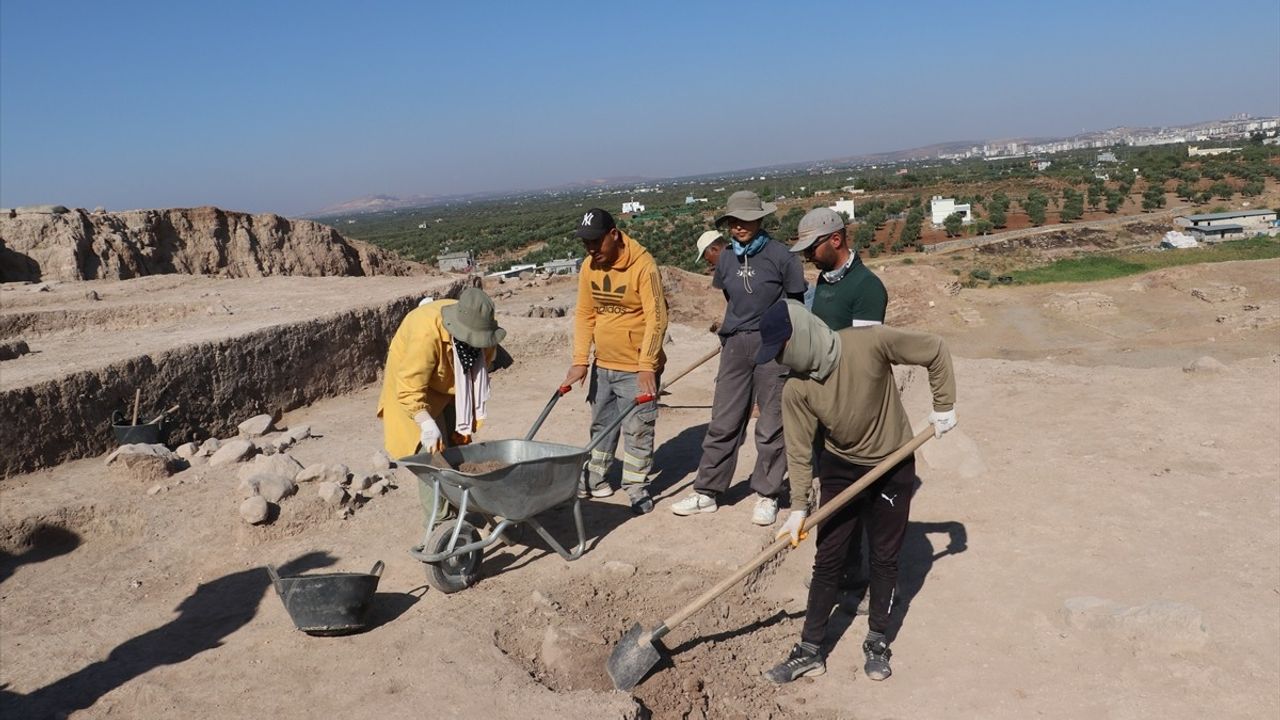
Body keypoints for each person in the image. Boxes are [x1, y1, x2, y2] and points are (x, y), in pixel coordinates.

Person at [758, 299, 956, 684]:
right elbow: (798, 451)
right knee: (827, 556)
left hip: (892, 465)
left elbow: (934, 348)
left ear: (798, 337)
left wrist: (944, 405)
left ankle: (878, 639)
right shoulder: (796, 389)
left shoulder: (869, 343)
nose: (781, 359)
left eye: (782, 348)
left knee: (884, 557)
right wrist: (799, 507)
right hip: (840, 470)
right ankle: (811, 648)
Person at [671, 191, 806, 525]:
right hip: (734, 345)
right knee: (723, 419)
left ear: (760, 219)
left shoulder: (781, 256)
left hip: (773, 344)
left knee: (771, 422)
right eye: (734, 221)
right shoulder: (728, 257)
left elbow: (797, 301)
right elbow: (732, 298)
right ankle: (707, 491)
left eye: (746, 220)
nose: (739, 227)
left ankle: (767, 493)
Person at [790, 207, 890, 604]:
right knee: (833, 493)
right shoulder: (825, 282)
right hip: (822, 404)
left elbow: (865, 358)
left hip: (851, 409)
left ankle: (866, 580)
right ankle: (840, 571)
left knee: (860, 499)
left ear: (836, 239)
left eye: (812, 247)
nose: (807, 256)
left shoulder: (867, 288)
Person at [561, 208, 668, 514]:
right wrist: (581, 360)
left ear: (614, 235)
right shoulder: (588, 267)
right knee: (601, 425)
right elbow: (585, 314)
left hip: (636, 368)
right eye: (586, 244)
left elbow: (657, 318)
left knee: (638, 428)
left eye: (597, 242)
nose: (592, 249)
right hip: (603, 365)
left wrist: (647, 364)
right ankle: (596, 479)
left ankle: (636, 486)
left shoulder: (644, 267)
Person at [377, 287, 506, 525]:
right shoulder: (426, 334)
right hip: (411, 388)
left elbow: (485, 360)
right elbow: (409, 387)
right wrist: (425, 421)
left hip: (450, 385)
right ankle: (440, 523)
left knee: (457, 446)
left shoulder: (482, 330)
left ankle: (459, 503)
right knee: (431, 459)